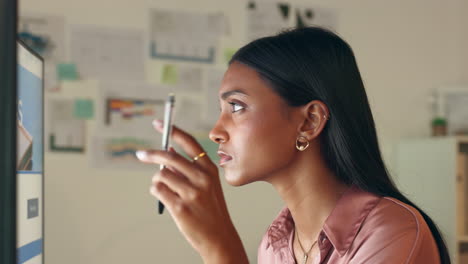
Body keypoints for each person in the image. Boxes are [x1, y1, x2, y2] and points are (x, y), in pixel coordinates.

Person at [136, 27, 450, 264]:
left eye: (236, 107)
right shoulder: (277, 245)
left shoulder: (392, 231)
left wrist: (219, 246)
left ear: (310, 121)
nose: (217, 132)